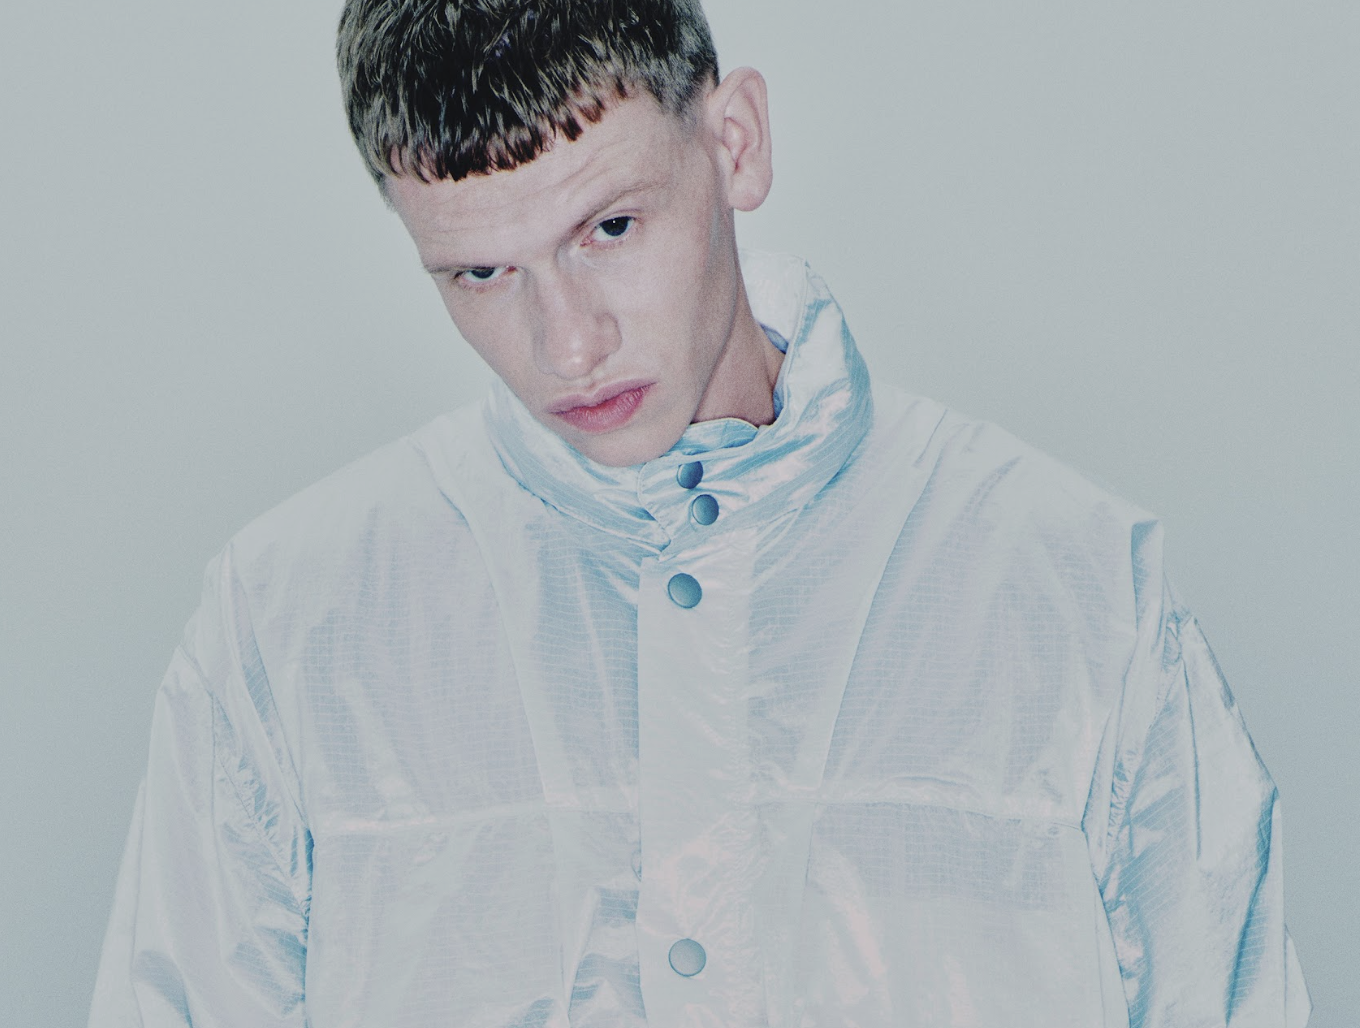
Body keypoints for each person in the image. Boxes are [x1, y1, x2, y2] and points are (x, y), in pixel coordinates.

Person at [89, 1, 1310, 1025]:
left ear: (734, 143)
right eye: (481, 272)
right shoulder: (288, 626)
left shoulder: (1076, 588)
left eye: (608, 227)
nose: (566, 344)